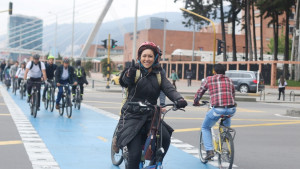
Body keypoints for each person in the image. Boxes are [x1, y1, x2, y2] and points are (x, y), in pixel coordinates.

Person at [114, 41, 187, 169]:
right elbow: (125, 81)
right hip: (132, 114)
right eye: (144, 56)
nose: (147, 59)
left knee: (165, 138)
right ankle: (118, 141)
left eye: (150, 56)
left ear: (155, 58)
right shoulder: (134, 71)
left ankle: (154, 163)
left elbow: (169, 88)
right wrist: (128, 75)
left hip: (151, 115)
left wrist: (179, 99)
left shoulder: (159, 74)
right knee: (135, 155)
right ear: (139, 57)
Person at [193, 64, 236, 161]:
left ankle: (209, 151)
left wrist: (196, 102)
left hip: (217, 109)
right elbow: (233, 94)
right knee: (226, 121)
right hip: (232, 109)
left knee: (205, 127)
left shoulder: (209, 79)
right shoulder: (229, 80)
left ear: (214, 72)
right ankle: (225, 136)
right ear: (224, 72)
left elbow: (200, 92)